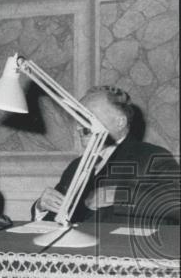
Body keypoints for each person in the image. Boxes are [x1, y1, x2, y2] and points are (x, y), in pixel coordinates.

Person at [34, 85, 179, 225]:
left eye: (89, 116)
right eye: (79, 117)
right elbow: (57, 220)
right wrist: (41, 207)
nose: (79, 126)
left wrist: (116, 195)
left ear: (120, 122)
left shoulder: (151, 156)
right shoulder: (76, 167)